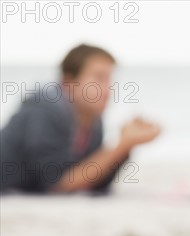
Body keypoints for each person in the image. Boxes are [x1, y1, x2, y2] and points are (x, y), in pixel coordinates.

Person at [1, 44, 160, 194]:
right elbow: (58, 184)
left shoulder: (92, 121)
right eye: (99, 78)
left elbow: (92, 180)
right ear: (69, 82)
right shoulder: (45, 109)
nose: (108, 88)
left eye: (110, 79)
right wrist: (123, 144)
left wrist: (126, 146)